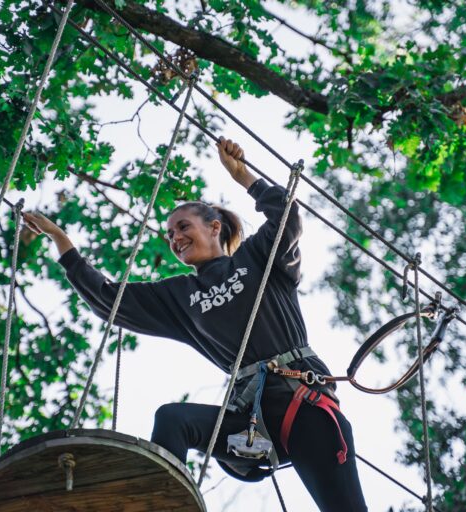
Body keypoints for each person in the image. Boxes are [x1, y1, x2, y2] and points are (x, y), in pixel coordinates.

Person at [23, 137, 368, 511]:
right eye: (169, 234)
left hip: (304, 404)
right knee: (173, 419)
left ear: (214, 227)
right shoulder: (179, 296)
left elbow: (287, 215)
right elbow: (108, 299)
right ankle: (166, 504)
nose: (175, 238)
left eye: (182, 226)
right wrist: (61, 242)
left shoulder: (258, 256)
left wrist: (243, 176)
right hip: (252, 421)